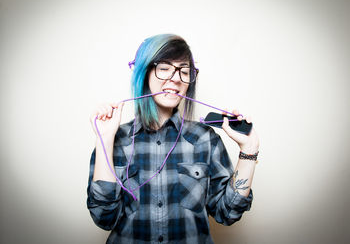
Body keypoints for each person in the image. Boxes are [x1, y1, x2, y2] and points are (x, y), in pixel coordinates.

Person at [87, 33, 260, 243]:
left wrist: (248, 151)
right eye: (164, 68)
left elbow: (228, 212)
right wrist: (105, 139)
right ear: (145, 73)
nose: (176, 78)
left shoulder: (205, 139)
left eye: (184, 71)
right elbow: (103, 217)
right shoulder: (116, 139)